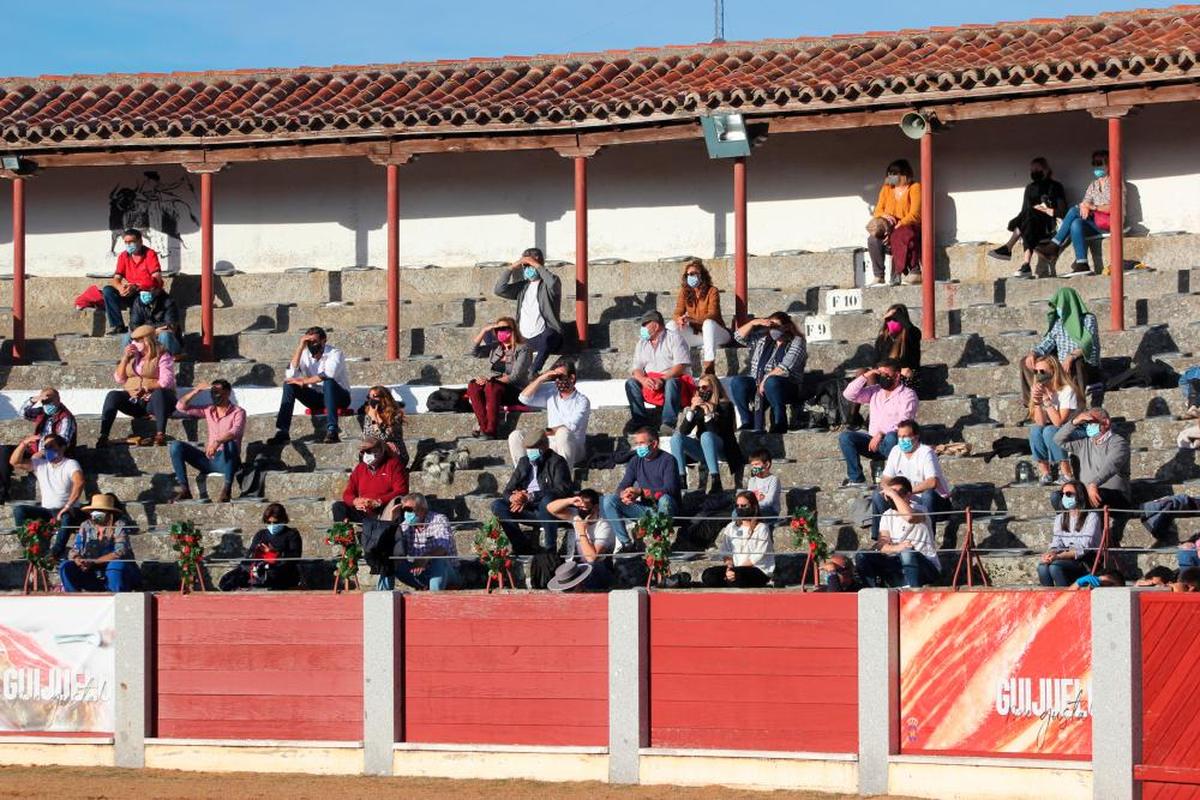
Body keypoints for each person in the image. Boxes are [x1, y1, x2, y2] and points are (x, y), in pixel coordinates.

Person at [489, 430, 573, 554]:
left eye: (533, 448)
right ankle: (521, 546)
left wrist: (530, 496)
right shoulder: (524, 462)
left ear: (544, 446)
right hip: (527, 509)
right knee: (497, 505)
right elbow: (507, 490)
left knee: (547, 500)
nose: (530, 452)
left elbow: (562, 490)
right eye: (528, 448)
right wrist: (515, 498)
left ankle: (550, 550)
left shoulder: (557, 462)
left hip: (548, 512)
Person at [1037, 150, 1118, 278]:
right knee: (1076, 222)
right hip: (1096, 223)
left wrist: (1092, 207)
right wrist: (1084, 206)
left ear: (1109, 164)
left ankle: (1054, 245)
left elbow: (1115, 207)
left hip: (1111, 223)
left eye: (1101, 163)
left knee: (1074, 210)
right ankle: (1082, 263)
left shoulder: (1116, 183)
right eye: (1095, 164)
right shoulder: (1093, 185)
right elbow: (1085, 202)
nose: (1098, 167)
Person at [867, 420, 951, 540]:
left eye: (905, 436)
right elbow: (885, 479)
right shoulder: (896, 451)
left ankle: (928, 539)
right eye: (900, 436)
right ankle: (881, 540)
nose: (902, 440)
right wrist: (889, 490)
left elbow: (932, 482)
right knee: (877, 495)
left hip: (937, 502)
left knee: (928, 495)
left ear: (916, 437)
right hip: (906, 500)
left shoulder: (926, 452)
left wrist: (906, 493)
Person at [839, 360, 918, 487]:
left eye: (885, 374)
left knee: (892, 436)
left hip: (895, 442)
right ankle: (857, 479)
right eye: (879, 374)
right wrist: (866, 375)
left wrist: (881, 433)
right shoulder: (875, 391)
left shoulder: (908, 394)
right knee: (846, 437)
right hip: (872, 442)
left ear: (897, 375)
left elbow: (905, 422)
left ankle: (895, 477)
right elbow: (848, 394)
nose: (882, 377)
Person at [600, 427, 681, 550]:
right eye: (637, 443)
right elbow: (622, 486)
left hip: (666, 509)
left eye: (641, 443)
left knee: (665, 499)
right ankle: (626, 543)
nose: (638, 447)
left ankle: (660, 539)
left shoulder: (668, 460)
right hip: (646, 510)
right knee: (609, 500)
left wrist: (641, 492)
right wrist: (625, 494)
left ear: (654, 443)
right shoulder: (635, 461)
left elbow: (670, 489)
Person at [97, 324, 177, 447]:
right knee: (113, 395)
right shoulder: (132, 357)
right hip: (136, 401)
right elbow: (119, 379)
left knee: (160, 394)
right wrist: (125, 359)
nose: (134, 343)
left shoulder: (162, 355)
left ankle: (160, 434)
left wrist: (147, 388)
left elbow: (166, 381)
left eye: (138, 340)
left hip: (154, 401)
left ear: (147, 340)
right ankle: (104, 435)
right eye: (133, 340)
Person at [988, 157, 1068, 278]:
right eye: (1032, 170)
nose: (1034, 172)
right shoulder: (1030, 188)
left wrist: (1049, 210)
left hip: (1049, 225)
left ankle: (1009, 248)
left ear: (1045, 170)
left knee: (1028, 217)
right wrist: (1016, 221)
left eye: (1037, 169)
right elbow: (1024, 211)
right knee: (1028, 217)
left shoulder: (1055, 186)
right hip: (1033, 223)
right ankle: (1025, 264)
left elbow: (1063, 211)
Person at [1021, 287, 1101, 407]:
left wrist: (1071, 357)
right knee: (1025, 362)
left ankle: (1078, 405)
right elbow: (1047, 343)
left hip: (1086, 366)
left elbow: (1089, 344)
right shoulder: (1058, 324)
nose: (1058, 309)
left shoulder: (1088, 319)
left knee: (1077, 363)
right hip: (1062, 367)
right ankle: (1034, 404)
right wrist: (1034, 353)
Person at [269, 327, 351, 445]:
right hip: (317, 397)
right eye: (309, 342)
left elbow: (328, 374)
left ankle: (332, 430)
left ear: (324, 341)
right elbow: (290, 375)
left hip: (339, 396)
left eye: (315, 341)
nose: (312, 345)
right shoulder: (304, 354)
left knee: (328, 382)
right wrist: (300, 347)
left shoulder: (335, 353)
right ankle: (282, 431)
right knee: (289, 385)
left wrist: (304, 381)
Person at [855, 477, 940, 588]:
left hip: (925, 566)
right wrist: (898, 548)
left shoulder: (920, 509)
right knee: (862, 555)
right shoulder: (887, 515)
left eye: (899, 492)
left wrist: (893, 494)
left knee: (907, 553)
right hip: (897, 563)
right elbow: (882, 545)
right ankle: (873, 594)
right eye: (890, 493)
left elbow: (909, 517)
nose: (892, 496)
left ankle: (912, 592)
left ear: (909, 495)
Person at [728, 312, 807, 433]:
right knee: (737, 382)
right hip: (758, 381)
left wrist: (764, 381)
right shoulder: (763, 339)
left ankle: (779, 422)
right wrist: (753, 322)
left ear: (786, 327)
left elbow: (784, 367)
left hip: (786, 385)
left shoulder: (797, 341)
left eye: (776, 326)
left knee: (772, 382)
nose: (772, 330)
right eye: (770, 326)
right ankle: (747, 421)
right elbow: (738, 337)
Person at [169, 380, 247, 503]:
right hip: (209, 458)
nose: (215, 396)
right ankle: (185, 490)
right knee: (175, 446)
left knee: (230, 442)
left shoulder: (238, 412)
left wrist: (218, 442)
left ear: (227, 393)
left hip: (227, 459)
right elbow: (180, 406)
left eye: (218, 392)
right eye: (213, 392)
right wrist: (197, 390)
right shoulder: (208, 410)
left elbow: (235, 432)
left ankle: (227, 489)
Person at [8, 434, 83, 558]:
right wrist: (24, 443)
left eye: (51, 446)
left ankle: (54, 553)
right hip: (47, 512)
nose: (48, 449)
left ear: (62, 447)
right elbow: (14, 462)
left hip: (66, 510)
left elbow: (79, 482)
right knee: (19, 510)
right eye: (46, 447)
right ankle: (29, 546)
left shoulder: (70, 464)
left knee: (66, 517)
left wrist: (68, 505)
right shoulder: (40, 464)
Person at [668, 372, 742, 494]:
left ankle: (716, 480)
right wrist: (692, 408)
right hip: (703, 449)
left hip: (722, 448)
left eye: (704, 387)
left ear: (714, 388)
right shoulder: (698, 408)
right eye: (699, 388)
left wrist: (708, 412)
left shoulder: (725, 406)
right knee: (676, 438)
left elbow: (716, 432)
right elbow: (683, 431)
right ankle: (681, 479)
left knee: (706, 435)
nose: (701, 390)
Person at [508, 360, 590, 470]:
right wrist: (541, 379)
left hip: (574, 447)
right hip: (550, 444)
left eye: (560, 376)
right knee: (516, 436)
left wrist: (544, 432)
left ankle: (563, 481)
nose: (557, 380)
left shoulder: (582, 401)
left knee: (563, 433)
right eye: (555, 377)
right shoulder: (551, 392)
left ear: (572, 378)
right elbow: (523, 398)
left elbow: (571, 426)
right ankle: (523, 477)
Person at [0, 388, 76, 505]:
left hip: (55, 452)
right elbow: (22, 413)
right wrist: (35, 399)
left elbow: (62, 442)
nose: (47, 404)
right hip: (36, 448)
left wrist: (43, 452)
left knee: (37, 458)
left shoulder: (65, 417)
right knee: (4, 451)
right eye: (45, 402)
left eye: (51, 401)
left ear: (59, 400)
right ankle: (2, 492)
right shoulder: (42, 412)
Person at [493, 248, 562, 373]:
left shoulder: (549, 284)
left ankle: (533, 371)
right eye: (525, 265)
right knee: (495, 330)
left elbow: (553, 283)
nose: (527, 268)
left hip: (543, 336)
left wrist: (536, 264)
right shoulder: (522, 286)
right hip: (524, 337)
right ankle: (502, 370)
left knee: (549, 335)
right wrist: (512, 267)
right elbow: (499, 290)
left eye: (529, 265)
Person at [58, 493, 141, 593]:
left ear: (109, 513)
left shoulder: (119, 526)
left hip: (118, 574)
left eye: (100, 511)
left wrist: (93, 562)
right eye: (94, 511)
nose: (95, 515)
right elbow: (75, 549)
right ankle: (74, 598)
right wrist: (78, 559)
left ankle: (117, 597)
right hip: (92, 572)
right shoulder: (85, 526)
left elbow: (120, 551)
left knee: (115, 567)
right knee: (65, 566)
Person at [466, 316, 533, 439]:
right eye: (497, 329)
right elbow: (474, 352)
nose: (500, 332)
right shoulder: (496, 347)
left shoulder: (523, 348)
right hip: (495, 389)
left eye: (503, 328)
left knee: (491, 386)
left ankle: (490, 430)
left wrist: (490, 381)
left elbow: (515, 376)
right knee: (473, 385)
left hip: (516, 390)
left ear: (512, 329)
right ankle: (483, 426)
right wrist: (484, 331)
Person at [626, 310, 691, 433]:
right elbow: (637, 369)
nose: (643, 328)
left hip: (670, 380)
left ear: (655, 325)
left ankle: (668, 423)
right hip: (650, 382)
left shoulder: (675, 338)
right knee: (631, 383)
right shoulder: (641, 343)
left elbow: (680, 366)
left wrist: (662, 379)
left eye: (645, 324)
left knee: (673, 382)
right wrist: (643, 379)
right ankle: (640, 422)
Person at [1053, 408, 1131, 511]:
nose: (1088, 426)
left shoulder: (1119, 443)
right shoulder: (1084, 444)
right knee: (1056, 497)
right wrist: (1074, 422)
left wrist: (1094, 483)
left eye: (1092, 422)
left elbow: (1111, 466)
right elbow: (1058, 440)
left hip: (1114, 495)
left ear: (1106, 423)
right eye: (1086, 423)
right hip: (1086, 493)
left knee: (1097, 494)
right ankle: (1067, 525)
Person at [665, 258, 731, 375]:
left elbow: (713, 314)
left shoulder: (712, 291)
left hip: (718, 334)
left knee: (708, 323)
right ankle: (674, 365)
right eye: (688, 274)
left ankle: (709, 367)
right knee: (671, 325)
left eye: (694, 274)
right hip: (698, 336)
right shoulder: (684, 292)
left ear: (702, 275)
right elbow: (677, 312)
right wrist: (679, 319)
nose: (691, 276)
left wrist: (692, 319)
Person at [383, 493, 459, 592]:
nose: (407, 513)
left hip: (447, 572)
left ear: (423, 509)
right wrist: (392, 520)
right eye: (404, 510)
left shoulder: (438, 520)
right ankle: (382, 598)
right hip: (420, 572)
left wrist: (425, 557)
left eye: (409, 510)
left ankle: (434, 599)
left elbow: (443, 547)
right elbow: (388, 544)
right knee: (388, 559)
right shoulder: (406, 525)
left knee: (439, 560)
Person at [220, 503, 303, 591]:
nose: (272, 525)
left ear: (282, 520)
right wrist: (255, 554)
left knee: (270, 575)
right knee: (228, 580)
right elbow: (249, 556)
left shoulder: (292, 534)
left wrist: (274, 553)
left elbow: (295, 557)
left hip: (281, 570)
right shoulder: (261, 534)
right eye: (269, 522)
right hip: (259, 567)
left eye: (275, 522)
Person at [1028, 355, 1083, 486]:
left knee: (1050, 430)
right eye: (1036, 372)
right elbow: (1040, 422)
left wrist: (1046, 400)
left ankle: (1066, 473)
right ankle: (1046, 473)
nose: (1038, 375)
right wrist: (1036, 402)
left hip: (1076, 429)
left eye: (1042, 371)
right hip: (1056, 429)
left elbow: (1059, 422)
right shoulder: (1039, 389)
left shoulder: (1067, 390)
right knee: (1035, 430)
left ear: (1053, 371)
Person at [865, 159, 922, 286]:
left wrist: (897, 225)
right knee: (873, 240)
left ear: (904, 174)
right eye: (889, 174)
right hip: (889, 225)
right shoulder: (886, 189)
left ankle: (913, 272)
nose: (891, 177)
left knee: (900, 234)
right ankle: (879, 275)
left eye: (894, 174)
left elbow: (915, 214)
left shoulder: (915, 187)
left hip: (908, 225)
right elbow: (878, 210)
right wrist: (883, 215)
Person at [701, 491, 774, 587]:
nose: (740, 509)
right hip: (735, 568)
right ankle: (729, 579)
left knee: (737, 576)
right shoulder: (731, 527)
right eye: (737, 506)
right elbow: (725, 551)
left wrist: (734, 570)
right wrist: (729, 567)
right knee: (708, 575)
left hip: (758, 569)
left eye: (743, 506)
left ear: (753, 506)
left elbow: (757, 556)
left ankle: (730, 579)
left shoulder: (761, 528)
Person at [331, 437, 409, 524]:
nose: (365, 454)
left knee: (397, 503)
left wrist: (378, 501)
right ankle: (344, 535)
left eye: (369, 451)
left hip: (385, 508)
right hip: (365, 510)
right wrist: (355, 501)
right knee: (338, 507)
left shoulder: (393, 464)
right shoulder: (360, 468)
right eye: (363, 452)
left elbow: (401, 490)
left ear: (380, 450)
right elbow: (348, 493)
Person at [1037, 480, 1101, 587]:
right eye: (1063, 494)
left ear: (1079, 495)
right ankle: (1050, 599)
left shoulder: (1092, 516)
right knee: (1042, 567)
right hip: (1066, 557)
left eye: (1068, 494)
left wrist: (1059, 557)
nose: (1065, 497)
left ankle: (1066, 596)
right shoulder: (1060, 518)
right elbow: (1057, 542)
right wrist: (1051, 553)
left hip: (1085, 560)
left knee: (1055, 567)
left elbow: (1084, 547)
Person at [102, 228, 163, 335]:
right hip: (129, 291)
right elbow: (116, 278)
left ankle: (137, 326)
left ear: (140, 241)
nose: (129, 245)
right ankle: (118, 326)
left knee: (142, 297)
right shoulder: (123, 256)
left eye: (131, 242)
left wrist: (137, 286)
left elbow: (157, 279)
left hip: (145, 292)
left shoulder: (150, 254)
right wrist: (120, 287)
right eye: (126, 242)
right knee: (108, 291)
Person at [548, 490, 616, 560]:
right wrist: (570, 501)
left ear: (596, 507)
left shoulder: (604, 526)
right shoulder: (577, 515)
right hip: (580, 562)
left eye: (585, 508)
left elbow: (591, 559)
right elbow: (550, 508)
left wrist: (582, 532)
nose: (581, 510)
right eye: (579, 507)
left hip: (599, 566)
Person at [124, 284, 182, 355]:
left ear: (157, 290)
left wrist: (144, 329)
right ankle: (130, 360)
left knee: (165, 335)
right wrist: (153, 331)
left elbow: (170, 326)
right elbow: (134, 325)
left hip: (169, 343)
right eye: (142, 290)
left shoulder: (168, 302)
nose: (144, 293)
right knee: (127, 336)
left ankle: (165, 360)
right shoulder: (138, 302)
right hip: (147, 339)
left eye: (147, 290)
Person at [873, 304, 922, 387]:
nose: (891, 322)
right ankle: (874, 399)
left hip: (903, 374)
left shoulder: (911, 335)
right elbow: (875, 360)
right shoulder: (883, 338)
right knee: (864, 372)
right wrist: (880, 367)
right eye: (889, 319)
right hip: (885, 373)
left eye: (895, 319)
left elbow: (910, 328)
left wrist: (895, 313)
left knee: (906, 372)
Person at [360, 385, 408, 467]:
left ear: (384, 398)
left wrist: (375, 419)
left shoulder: (395, 415)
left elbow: (384, 438)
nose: (371, 400)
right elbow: (367, 436)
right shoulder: (369, 413)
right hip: (376, 452)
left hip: (395, 453)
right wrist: (372, 416)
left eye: (375, 397)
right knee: (365, 449)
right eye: (369, 397)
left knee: (388, 445)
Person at [746, 449, 781, 521]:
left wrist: (753, 504)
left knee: (755, 514)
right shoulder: (752, 480)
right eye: (752, 465)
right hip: (754, 508)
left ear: (767, 464)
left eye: (756, 464)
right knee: (736, 513)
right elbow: (749, 497)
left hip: (770, 511)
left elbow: (769, 501)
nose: (753, 468)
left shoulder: (773, 480)